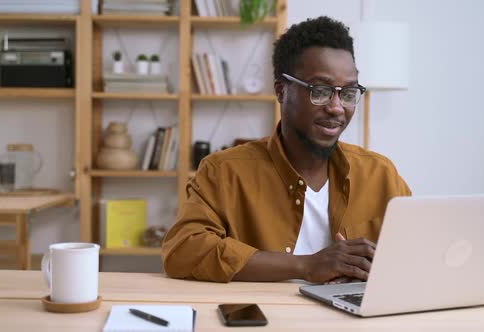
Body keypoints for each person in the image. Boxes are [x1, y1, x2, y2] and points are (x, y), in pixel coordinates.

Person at [162, 16, 411, 283]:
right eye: (321, 90)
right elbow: (183, 251)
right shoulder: (224, 171)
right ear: (282, 91)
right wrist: (306, 266)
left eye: (348, 93)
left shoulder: (380, 173)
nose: (337, 107)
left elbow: (419, 253)